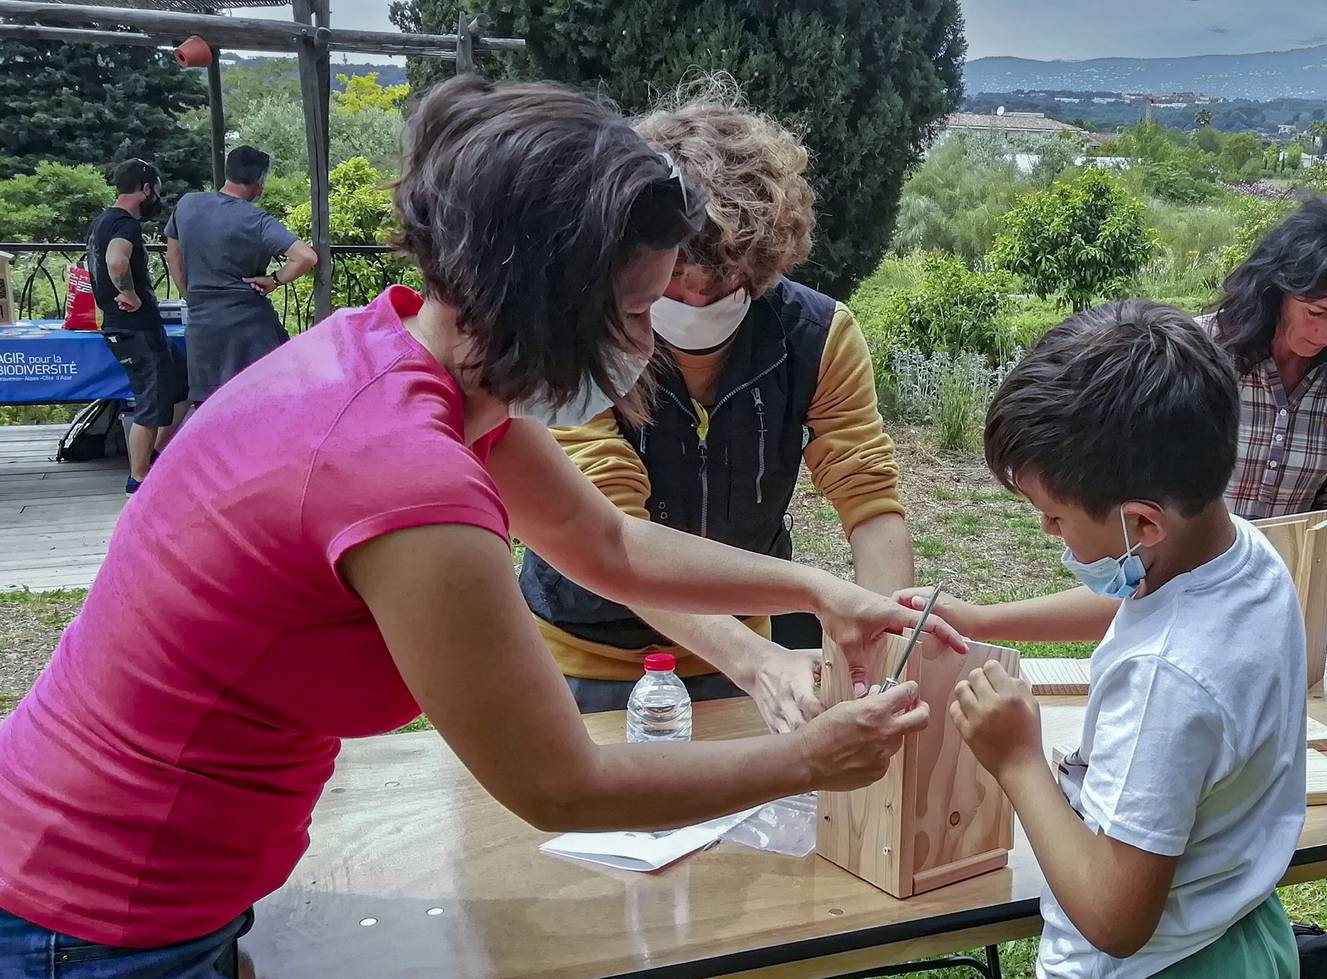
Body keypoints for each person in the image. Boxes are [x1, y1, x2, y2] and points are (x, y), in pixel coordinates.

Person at [0, 76, 959, 978]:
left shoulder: (410, 357)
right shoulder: (402, 473)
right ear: (548, 298)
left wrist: (818, 590)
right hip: (93, 906)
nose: (647, 341)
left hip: (143, 878)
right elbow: (562, 787)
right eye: (634, 309)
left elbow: (612, 547)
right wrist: (806, 761)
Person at [520, 88, 915, 729]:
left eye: (726, 283)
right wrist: (756, 659)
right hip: (582, 661)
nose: (697, 303)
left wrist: (888, 634)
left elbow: (868, 497)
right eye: (674, 280)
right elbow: (611, 532)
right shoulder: (581, 339)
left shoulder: (816, 336)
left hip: (744, 654)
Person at [948, 300, 1305, 979]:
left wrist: (1018, 759)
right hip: (1236, 932)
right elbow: (1131, 602)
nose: (1049, 533)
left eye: (1053, 517)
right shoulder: (1238, 553)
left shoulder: (1166, 681)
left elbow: (1116, 918)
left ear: (1142, 525)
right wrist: (981, 620)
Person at [899, 196, 1327, 642]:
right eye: (1317, 312)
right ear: (1279, 289)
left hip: (1268, 611)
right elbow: (1143, 576)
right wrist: (978, 621)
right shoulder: (1189, 359)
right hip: (1191, 599)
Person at [165, 145, 318, 404]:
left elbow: (172, 256)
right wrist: (274, 280)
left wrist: (191, 296)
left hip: (203, 325)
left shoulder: (188, 205)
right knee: (263, 399)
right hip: (249, 329)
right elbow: (306, 257)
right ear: (260, 180)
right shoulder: (256, 220)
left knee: (209, 405)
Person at [84, 158, 187, 493]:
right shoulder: (125, 225)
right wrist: (127, 291)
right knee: (151, 399)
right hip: (134, 327)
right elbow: (116, 260)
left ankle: (157, 457)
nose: (157, 197)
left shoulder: (101, 221)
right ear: (145, 190)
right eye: (155, 190)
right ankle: (139, 480)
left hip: (133, 327)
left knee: (183, 382)